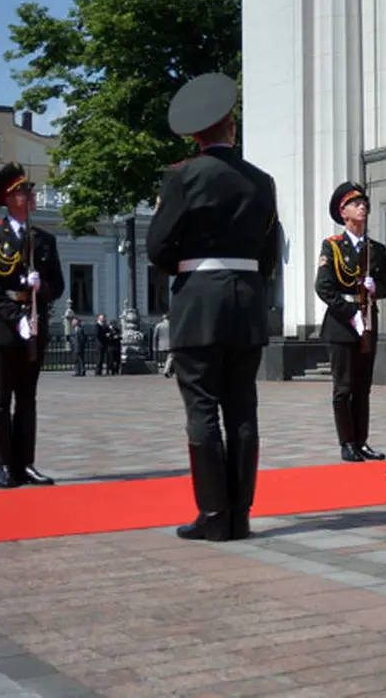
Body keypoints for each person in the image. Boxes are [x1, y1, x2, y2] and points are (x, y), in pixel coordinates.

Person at [147, 72, 280, 541]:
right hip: (246, 305)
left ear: (196, 133)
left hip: (199, 303)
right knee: (242, 409)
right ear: (231, 127)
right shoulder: (262, 182)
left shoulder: (183, 176)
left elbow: (158, 246)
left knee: (202, 408)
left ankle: (213, 516)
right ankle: (241, 512)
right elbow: (270, 252)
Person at [0, 162, 65, 488]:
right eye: (24, 191)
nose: (31, 196)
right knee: (0, 401)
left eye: (30, 191)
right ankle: (4, 465)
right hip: (2, 327)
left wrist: (42, 287)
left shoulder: (44, 240)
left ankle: (25, 464)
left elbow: (59, 285)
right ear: (9, 198)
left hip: (34, 327)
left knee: (27, 400)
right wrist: (16, 318)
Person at [315, 181, 386, 462]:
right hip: (342, 324)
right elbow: (323, 287)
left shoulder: (376, 249)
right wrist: (350, 315)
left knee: (363, 388)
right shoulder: (333, 247)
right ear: (343, 212)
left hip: (368, 322)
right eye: (356, 203)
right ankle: (346, 443)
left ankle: (362, 441)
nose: (363, 207)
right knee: (343, 388)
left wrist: (375, 288)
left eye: (364, 203)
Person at [153, 313, 173, 377]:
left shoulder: (158, 325)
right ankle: (166, 370)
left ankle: (162, 368)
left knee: (162, 358)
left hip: (161, 344)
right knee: (170, 357)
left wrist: (154, 346)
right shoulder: (172, 325)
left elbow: (155, 336)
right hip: (170, 343)